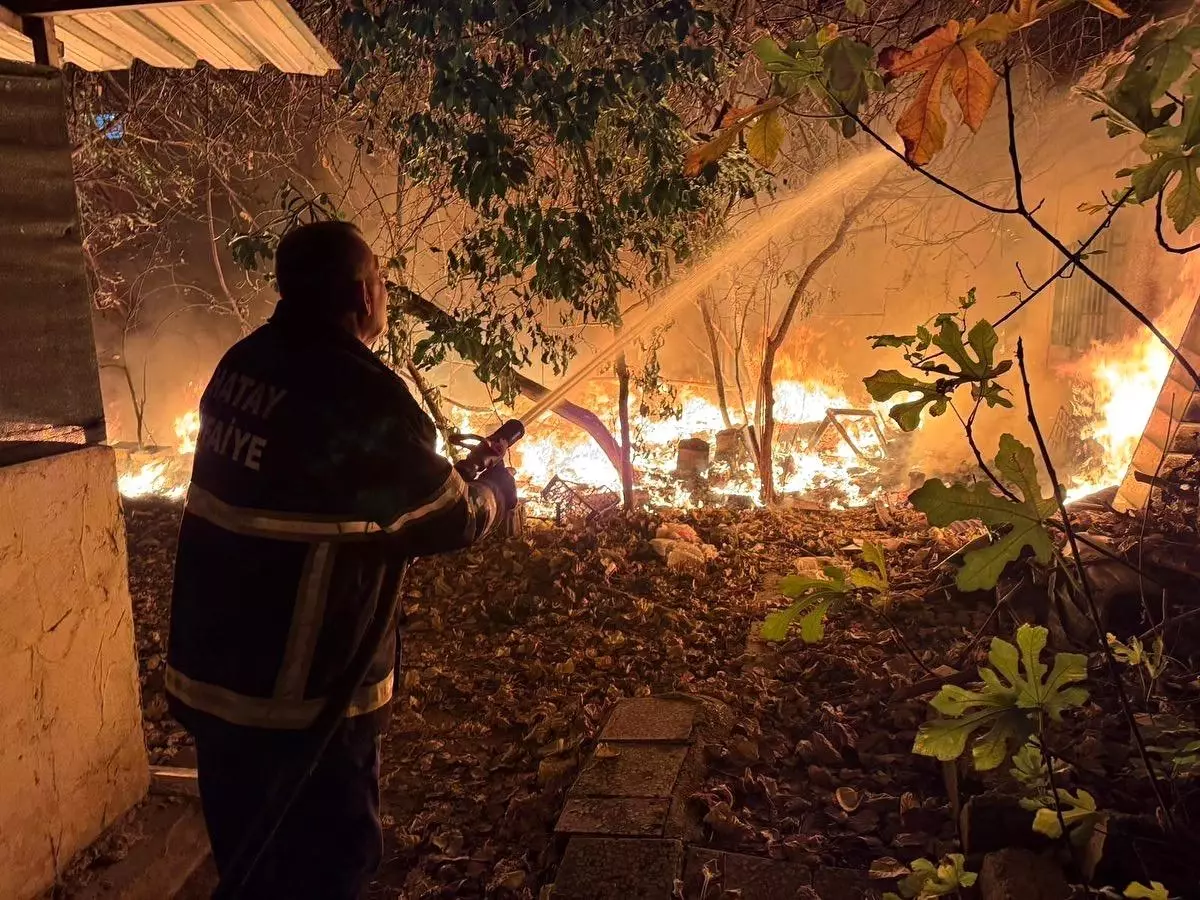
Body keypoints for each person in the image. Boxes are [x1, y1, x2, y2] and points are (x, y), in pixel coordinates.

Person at [165, 220, 516, 899]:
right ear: (362, 294)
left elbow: (320, 487)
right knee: (329, 869)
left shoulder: (243, 366)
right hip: (304, 700)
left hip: (214, 681)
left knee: (248, 863)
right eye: (380, 278)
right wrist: (495, 492)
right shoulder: (361, 393)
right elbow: (450, 518)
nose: (383, 291)